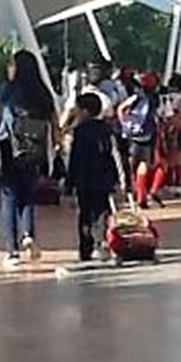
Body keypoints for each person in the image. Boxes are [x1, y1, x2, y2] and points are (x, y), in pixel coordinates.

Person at [0, 49, 55, 266]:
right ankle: (28, 234)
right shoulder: (42, 92)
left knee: (9, 197)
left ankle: (12, 251)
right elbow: (54, 121)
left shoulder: (6, 90)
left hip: (7, 150)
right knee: (28, 196)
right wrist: (56, 145)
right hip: (34, 151)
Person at [66, 91, 120, 262]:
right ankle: (101, 242)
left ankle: (85, 247)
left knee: (85, 213)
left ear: (85, 111)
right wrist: (119, 179)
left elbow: (74, 159)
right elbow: (115, 155)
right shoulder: (107, 129)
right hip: (104, 178)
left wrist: (69, 184)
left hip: (83, 179)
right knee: (102, 211)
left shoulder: (79, 131)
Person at [116, 72, 162, 208]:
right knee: (144, 165)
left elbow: (121, 108)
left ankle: (135, 192)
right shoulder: (156, 100)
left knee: (133, 164)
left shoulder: (135, 98)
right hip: (148, 136)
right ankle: (142, 196)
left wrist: (125, 124)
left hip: (133, 136)